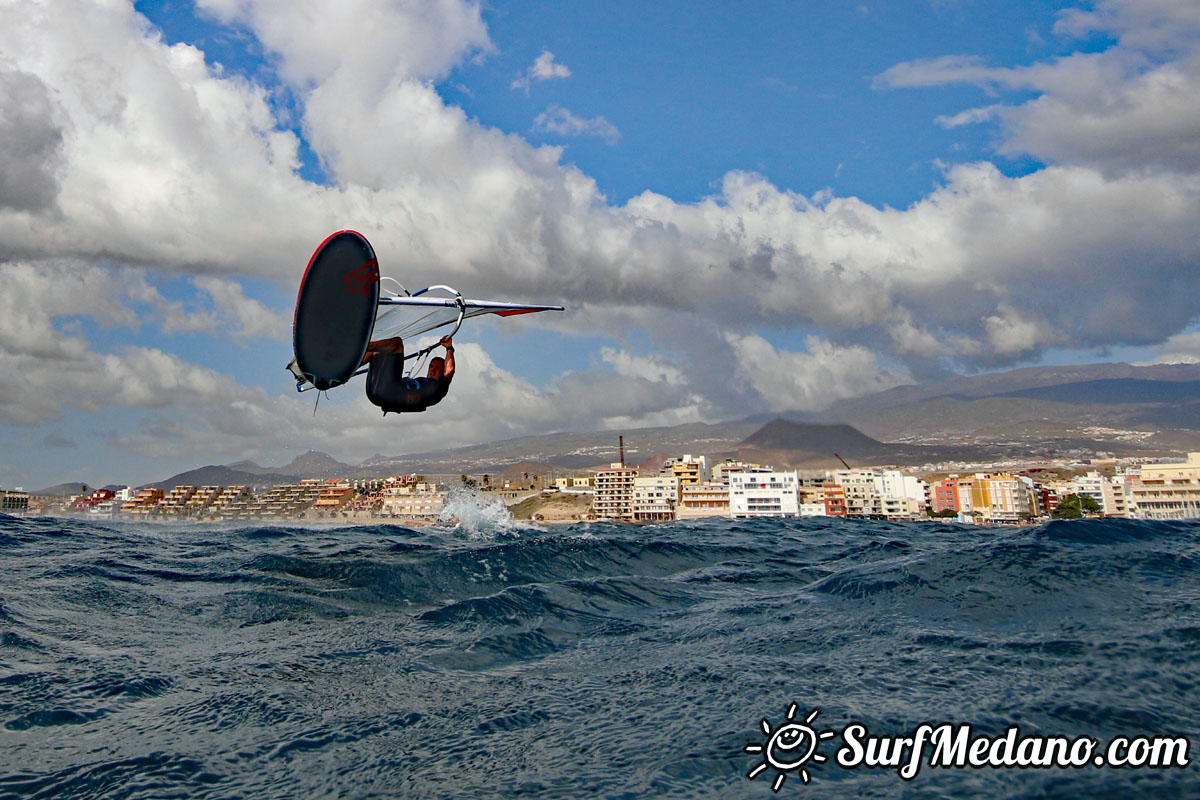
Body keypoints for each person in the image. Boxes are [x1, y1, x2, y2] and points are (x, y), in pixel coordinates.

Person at [361, 335, 455, 414]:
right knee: (378, 349)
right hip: (375, 395)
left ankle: (359, 346)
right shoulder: (423, 382)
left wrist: (449, 348)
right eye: (431, 366)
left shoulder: (439, 387)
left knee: (396, 343)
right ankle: (350, 365)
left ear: (442, 371)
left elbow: (450, 370)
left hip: (388, 393)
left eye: (437, 368)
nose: (432, 370)